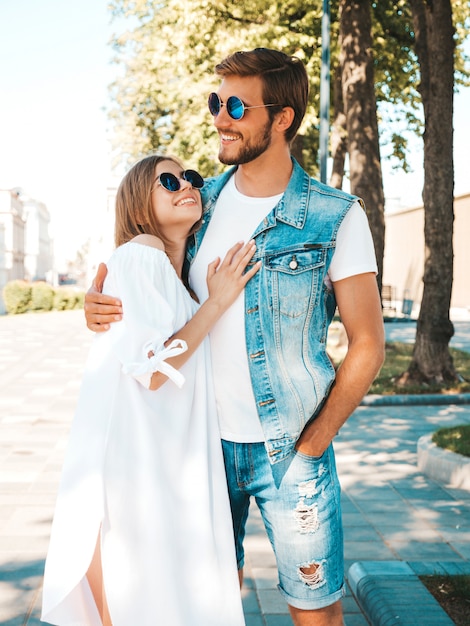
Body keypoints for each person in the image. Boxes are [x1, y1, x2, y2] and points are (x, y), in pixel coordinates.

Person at [84, 49, 385, 626]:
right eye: (216, 102)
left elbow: (368, 343)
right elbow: (149, 299)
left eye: (237, 105)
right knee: (207, 606)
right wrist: (100, 310)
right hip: (200, 448)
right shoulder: (198, 203)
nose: (220, 117)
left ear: (283, 119)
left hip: (291, 453)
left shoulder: (335, 216)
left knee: (316, 615)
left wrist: (314, 441)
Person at [42, 154, 261, 626]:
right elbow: (154, 367)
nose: (187, 185)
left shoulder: (170, 276)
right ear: (140, 205)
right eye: (169, 179)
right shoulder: (141, 251)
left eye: (192, 178)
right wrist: (218, 301)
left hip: (155, 460)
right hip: (134, 463)